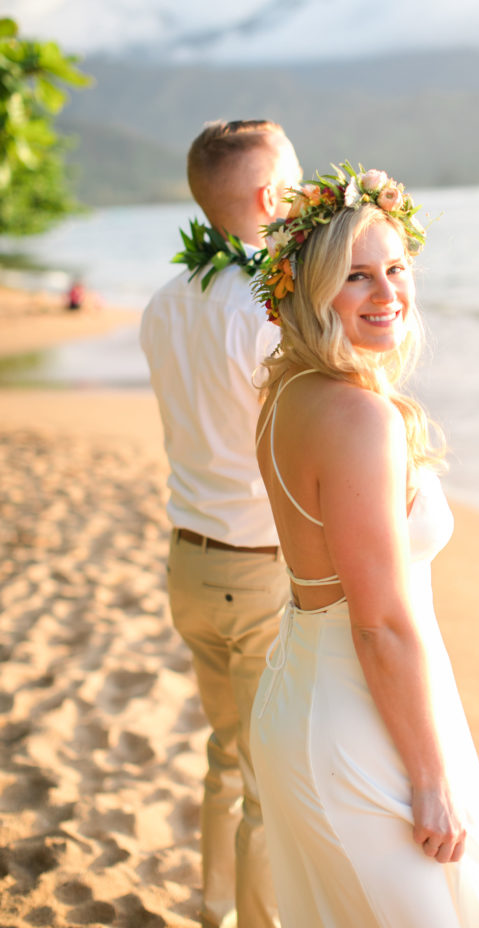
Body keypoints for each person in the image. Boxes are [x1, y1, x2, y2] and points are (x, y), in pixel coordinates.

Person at [249, 162, 479, 927]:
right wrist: (430, 777)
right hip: (356, 719)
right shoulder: (358, 419)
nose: (386, 294)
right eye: (354, 277)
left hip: (306, 692)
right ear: (307, 293)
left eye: (395, 268)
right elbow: (377, 622)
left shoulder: (287, 393)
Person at [140, 119, 302, 928]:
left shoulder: (164, 305)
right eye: (297, 177)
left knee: (224, 754)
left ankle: (212, 905)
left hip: (188, 566)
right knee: (267, 778)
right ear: (272, 196)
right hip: (256, 568)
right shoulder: (268, 310)